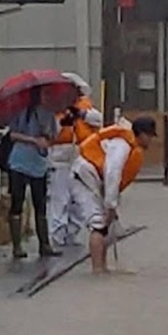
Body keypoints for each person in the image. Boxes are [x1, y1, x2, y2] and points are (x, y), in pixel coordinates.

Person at [70, 117, 158, 274]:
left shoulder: (130, 145)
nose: (151, 140)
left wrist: (112, 204)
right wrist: (110, 205)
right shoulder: (121, 145)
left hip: (96, 181)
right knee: (98, 223)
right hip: (83, 179)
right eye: (150, 136)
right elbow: (112, 172)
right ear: (142, 134)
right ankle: (97, 271)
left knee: (109, 228)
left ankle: (103, 268)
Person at [6, 89, 60, 259]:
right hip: (19, 162)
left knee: (40, 203)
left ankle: (44, 244)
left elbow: (53, 136)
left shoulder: (48, 114)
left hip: (39, 163)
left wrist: (46, 139)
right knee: (17, 202)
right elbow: (13, 135)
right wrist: (33, 140)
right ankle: (17, 246)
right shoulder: (19, 112)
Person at [47, 85, 103, 248]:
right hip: (60, 156)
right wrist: (64, 121)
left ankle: (71, 233)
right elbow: (50, 130)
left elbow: (98, 119)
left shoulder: (84, 106)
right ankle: (57, 235)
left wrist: (80, 114)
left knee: (78, 199)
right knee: (60, 198)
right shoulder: (54, 108)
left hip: (80, 155)